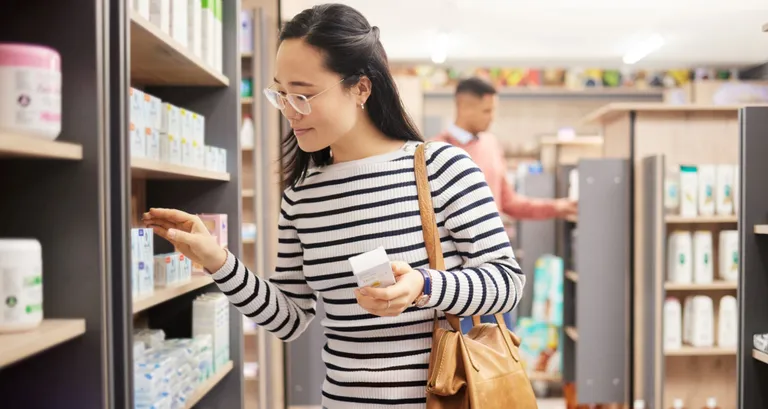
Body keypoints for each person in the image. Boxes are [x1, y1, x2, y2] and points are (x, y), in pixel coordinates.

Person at [142, 4, 524, 408]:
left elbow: (507, 284)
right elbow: (288, 318)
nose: (289, 110)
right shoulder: (301, 198)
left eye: (303, 95)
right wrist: (218, 260)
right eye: (282, 94)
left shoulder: (442, 168)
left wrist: (424, 286)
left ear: (361, 88)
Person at [431, 77, 577, 332]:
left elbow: (509, 202)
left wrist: (558, 207)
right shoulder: (434, 149)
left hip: (494, 266)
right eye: (487, 110)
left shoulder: (491, 144)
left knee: (500, 351)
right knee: (460, 356)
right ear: (463, 106)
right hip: (455, 275)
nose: (492, 118)